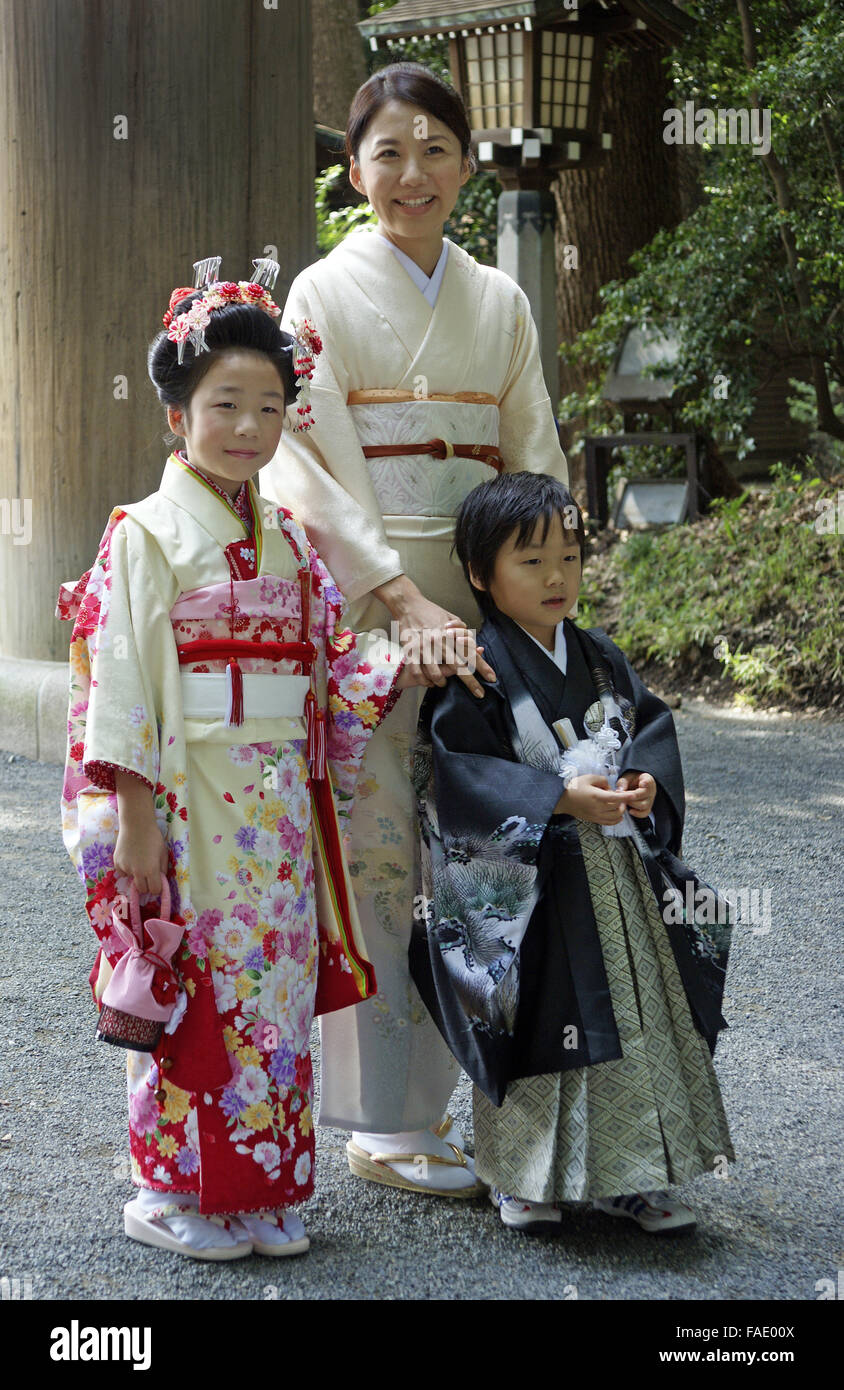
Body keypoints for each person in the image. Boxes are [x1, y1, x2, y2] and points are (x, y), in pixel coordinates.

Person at [58, 258, 418, 1260]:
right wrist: (132, 819)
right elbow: (119, 680)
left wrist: (396, 663)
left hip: (273, 810)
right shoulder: (145, 534)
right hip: (182, 798)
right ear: (177, 412)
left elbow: (328, 668)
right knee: (194, 977)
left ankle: (259, 1187)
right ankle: (170, 1189)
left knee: (272, 984)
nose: (250, 428)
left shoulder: (294, 542)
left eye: (270, 406)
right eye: (226, 404)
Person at [261, 63, 569, 1196]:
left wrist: (527, 597)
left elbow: (531, 452)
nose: (413, 172)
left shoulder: (502, 302)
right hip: (373, 612)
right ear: (355, 171)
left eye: (436, 147)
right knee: (384, 851)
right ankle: (386, 1121)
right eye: (388, 152)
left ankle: (471, 1099)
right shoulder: (317, 296)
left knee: (486, 847)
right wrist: (400, 598)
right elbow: (304, 468)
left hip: (479, 609)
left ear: (467, 164)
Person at [410, 471, 735, 1233]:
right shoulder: (480, 666)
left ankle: (636, 1174)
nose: (557, 577)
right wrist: (556, 800)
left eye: (570, 557)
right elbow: (457, 771)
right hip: (533, 890)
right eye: (532, 561)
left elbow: (649, 727)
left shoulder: (598, 656)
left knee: (638, 1017)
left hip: (615, 875)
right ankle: (522, 1178)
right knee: (539, 1019)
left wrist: (646, 781)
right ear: (481, 574)